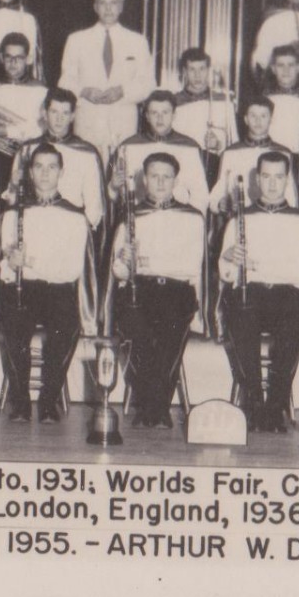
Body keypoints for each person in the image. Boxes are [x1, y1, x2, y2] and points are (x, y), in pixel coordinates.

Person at [216, 151, 299, 432]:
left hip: (287, 296)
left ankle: (275, 406)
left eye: (279, 177)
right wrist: (228, 257)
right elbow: (227, 275)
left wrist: (257, 264)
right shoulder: (239, 219)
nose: (272, 184)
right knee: (241, 315)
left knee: (294, 320)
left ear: (288, 180)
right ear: (257, 178)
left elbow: (298, 273)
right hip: (251, 294)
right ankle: (253, 403)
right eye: (266, 176)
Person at [0, 144, 96, 423]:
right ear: (29, 171)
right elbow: (3, 267)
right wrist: (11, 264)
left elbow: (71, 269)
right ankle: (21, 401)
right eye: (38, 166)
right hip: (23, 288)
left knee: (67, 328)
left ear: (61, 172)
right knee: (13, 324)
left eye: (51, 167)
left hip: (58, 290)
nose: (45, 173)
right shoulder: (14, 213)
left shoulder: (75, 216)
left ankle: (48, 401)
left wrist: (30, 261)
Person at [108, 153, 207, 428]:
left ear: (175, 180)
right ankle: (156, 404)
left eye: (166, 176)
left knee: (168, 336)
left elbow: (192, 265)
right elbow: (118, 273)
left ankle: (152, 405)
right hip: (141, 289)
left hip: (177, 291)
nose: (160, 182)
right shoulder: (131, 215)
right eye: (154, 176)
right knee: (136, 332)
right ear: (145, 179)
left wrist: (150, 261)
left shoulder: (193, 217)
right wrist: (125, 261)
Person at [57, 0, 156, 163]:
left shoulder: (138, 41)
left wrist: (122, 92)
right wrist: (85, 92)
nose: (108, 8)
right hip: (88, 120)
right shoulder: (77, 40)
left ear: (121, 7)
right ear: (95, 7)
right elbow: (65, 80)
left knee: (121, 174)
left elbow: (148, 83)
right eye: (103, 3)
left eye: (114, 3)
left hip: (123, 122)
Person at [5, 88, 106, 233]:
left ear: (72, 116)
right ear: (45, 114)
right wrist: (14, 186)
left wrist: (79, 233)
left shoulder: (87, 153)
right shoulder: (27, 149)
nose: (59, 119)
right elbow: (13, 200)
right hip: (32, 227)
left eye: (65, 113)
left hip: (70, 228)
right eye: (54, 112)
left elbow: (94, 206)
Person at [111, 91, 209, 212]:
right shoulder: (128, 146)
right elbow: (116, 195)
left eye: (165, 112)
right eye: (154, 113)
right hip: (140, 217)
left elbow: (200, 195)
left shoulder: (189, 147)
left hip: (179, 217)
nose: (160, 118)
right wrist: (113, 187)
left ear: (174, 115)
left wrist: (191, 221)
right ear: (146, 116)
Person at [209, 94, 299, 213]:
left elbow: (291, 196)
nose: (258, 121)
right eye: (253, 115)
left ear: (271, 119)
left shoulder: (283, 152)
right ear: (245, 119)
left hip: (275, 216)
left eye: (263, 116)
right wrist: (221, 203)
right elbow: (217, 194)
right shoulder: (230, 152)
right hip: (240, 217)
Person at [170, 48, 238, 178]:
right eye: (192, 69)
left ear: (208, 70)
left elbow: (233, 142)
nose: (197, 75)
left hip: (215, 166)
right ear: (184, 71)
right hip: (183, 166)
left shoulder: (224, 101)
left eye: (202, 69)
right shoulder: (175, 102)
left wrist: (218, 144)